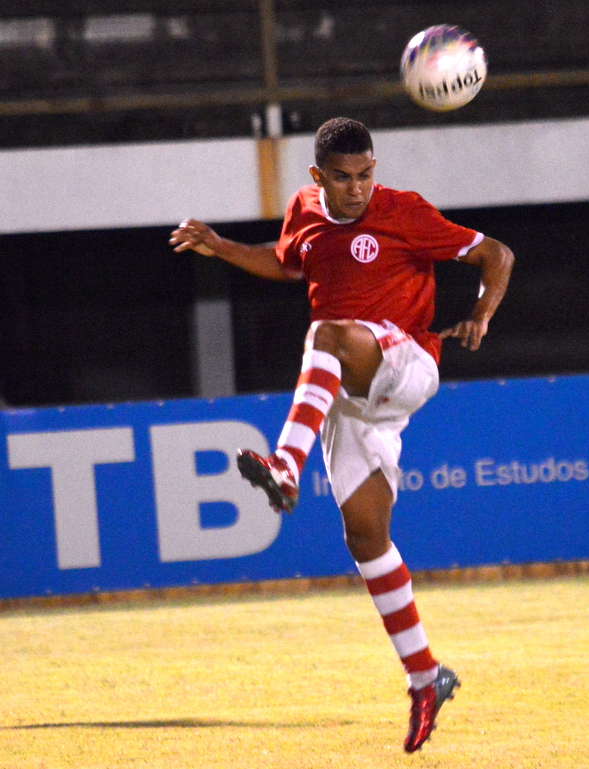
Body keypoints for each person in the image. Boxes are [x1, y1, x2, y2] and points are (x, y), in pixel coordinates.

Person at [169, 117, 514, 753]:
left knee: (325, 332)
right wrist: (219, 246)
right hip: (353, 396)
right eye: (343, 177)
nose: (357, 188)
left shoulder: (403, 212)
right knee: (366, 538)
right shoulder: (303, 211)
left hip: (407, 359)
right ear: (318, 177)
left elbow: (497, 254)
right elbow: (286, 262)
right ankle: (426, 675)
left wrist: (481, 314)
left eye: (365, 175)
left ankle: (285, 464)